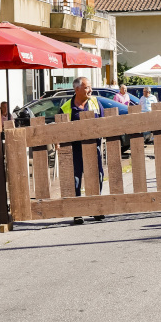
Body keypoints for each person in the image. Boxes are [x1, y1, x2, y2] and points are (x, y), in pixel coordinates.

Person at [61, 77, 105, 225]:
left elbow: (104, 123)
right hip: (75, 150)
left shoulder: (95, 103)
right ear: (77, 89)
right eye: (87, 87)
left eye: (90, 87)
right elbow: (60, 130)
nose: (90, 90)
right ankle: (77, 212)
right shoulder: (66, 107)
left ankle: (96, 208)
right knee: (76, 179)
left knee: (97, 176)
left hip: (94, 147)